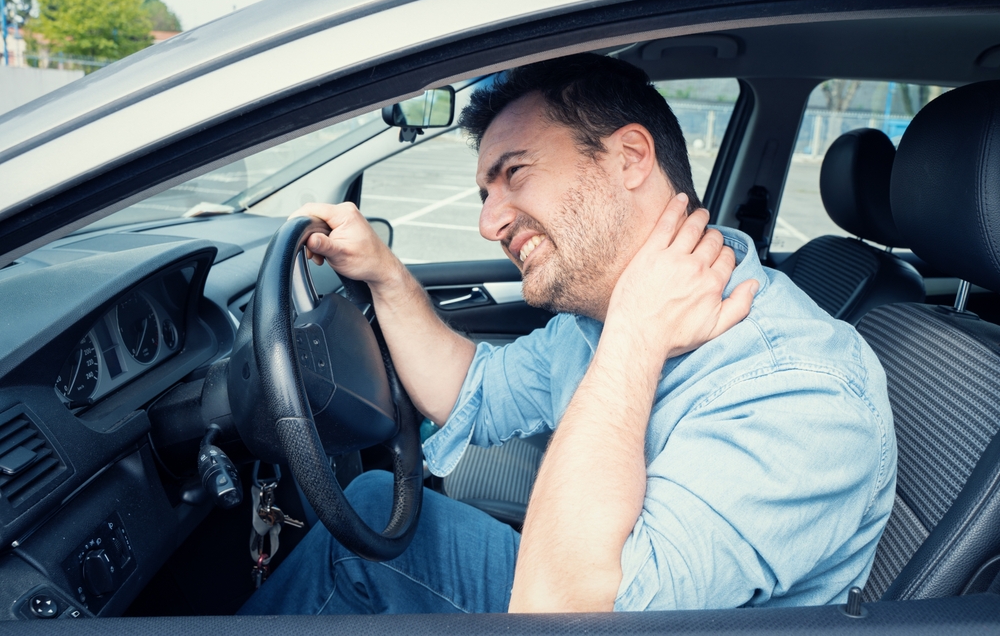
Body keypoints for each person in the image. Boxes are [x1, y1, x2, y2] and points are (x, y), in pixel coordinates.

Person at [240, 54, 896, 615]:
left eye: (515, 173)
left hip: (594, 611)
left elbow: (561, 618)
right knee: (373, 503)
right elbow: (471, 387)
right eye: (483, 194)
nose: (489, 222)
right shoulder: (598, 316)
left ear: (630, 157)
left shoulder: (799, 387)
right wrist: (384, 273)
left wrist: (635, 340)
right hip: (590, 585)